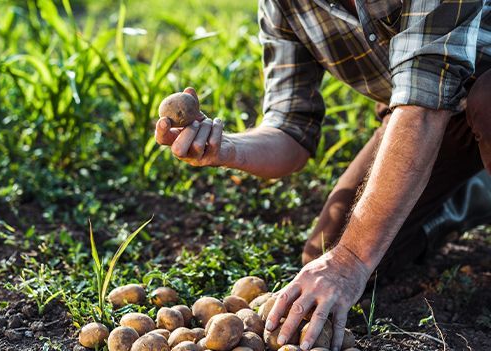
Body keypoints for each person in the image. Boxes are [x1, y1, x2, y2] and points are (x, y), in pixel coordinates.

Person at [155, 0, 491, 349]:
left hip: (455, 97)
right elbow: (290, 127)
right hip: (431, 114)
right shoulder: (282, 6)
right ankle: (470, 194)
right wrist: (225, 148)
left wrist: (350, 261)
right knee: (326, 251)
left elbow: (423, 106)